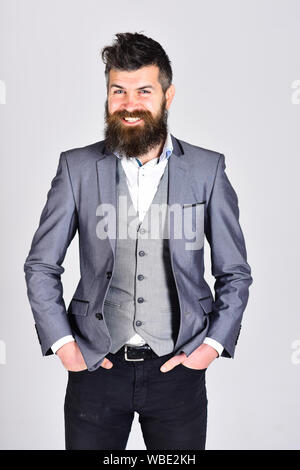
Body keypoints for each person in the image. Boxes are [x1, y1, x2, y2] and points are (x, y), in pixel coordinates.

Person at [24, 32, 253, 450]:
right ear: (108, 96)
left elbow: (234, 273)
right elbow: (41, 266)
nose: (129, 104)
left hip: (178, 368)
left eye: (144, 91)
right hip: (95, 368)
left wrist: (211, 348)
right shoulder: (76, 168)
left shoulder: (208, 170)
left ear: (168, 96)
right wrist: (64, 345)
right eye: (118, 91)